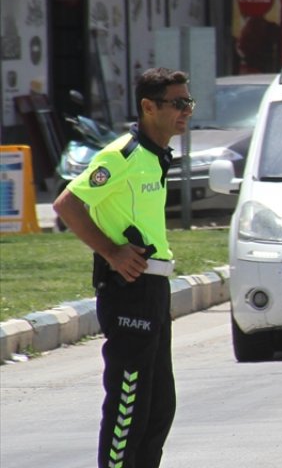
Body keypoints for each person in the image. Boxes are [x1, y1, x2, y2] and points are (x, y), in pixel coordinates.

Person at [53, 68, 192, 468]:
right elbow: (67, 205)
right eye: (177, 103)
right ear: (149, 106)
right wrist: (112, 252)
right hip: (128, 290)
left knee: (158, 406)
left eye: (188, 103)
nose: (185, 111)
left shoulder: (153, 156)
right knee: (128, 405)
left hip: (153, 290)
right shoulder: (123, 155)